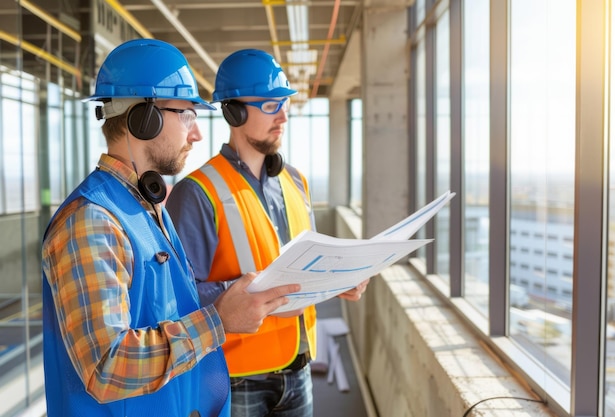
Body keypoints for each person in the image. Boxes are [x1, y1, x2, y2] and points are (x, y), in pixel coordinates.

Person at [41, 39, 301, 417]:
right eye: (187, 115)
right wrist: (219, 320)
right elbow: (106, 368)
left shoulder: (145, 207)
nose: (195, 134)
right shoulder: (92, 221)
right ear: (144, 119)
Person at [166, 48, 369, 417]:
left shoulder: (296, 181)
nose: (284, 115)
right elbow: (178, 298)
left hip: (299, 366)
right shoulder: (197, 192)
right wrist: (249, 292)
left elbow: (308, 262)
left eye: (285, 103)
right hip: (236, 375)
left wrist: (340, 277)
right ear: (235, 111)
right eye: (272, 105)